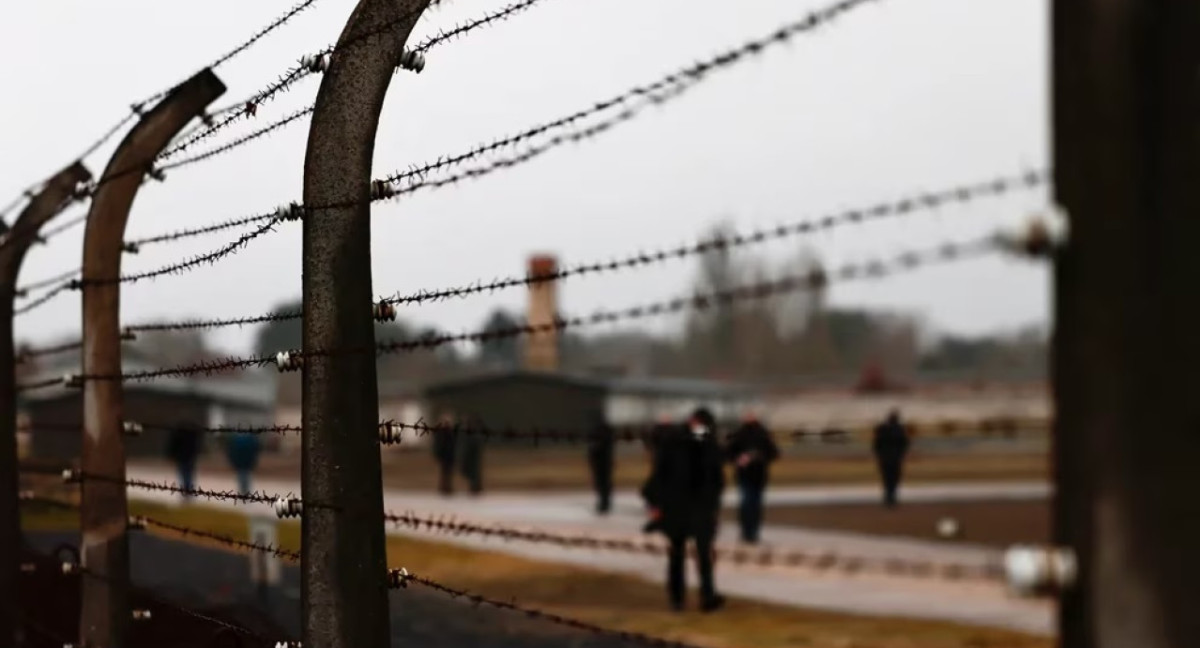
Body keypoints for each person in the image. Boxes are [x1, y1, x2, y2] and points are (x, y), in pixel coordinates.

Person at [640, 407, 726, 613]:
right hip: (698, 506)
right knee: (702, 555)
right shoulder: (706, 441)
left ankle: (678, 600)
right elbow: (717, 477)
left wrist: (655, 504)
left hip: (677, 507)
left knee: (678, 555)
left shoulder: (672, 441)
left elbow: (658, 476)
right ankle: (707, 597)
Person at [725, 412, 780, 544]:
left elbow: (773, 453)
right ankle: (745, 532)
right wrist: (738, 459)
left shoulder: (763, 434)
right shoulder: (739, 434)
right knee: (745, 503)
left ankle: (753, 533)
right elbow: (728, 453)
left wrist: (757, 457)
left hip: (759, 474)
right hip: (744, 475)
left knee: (755, 505)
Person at [872, 409, 911, 508]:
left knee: (887, 478)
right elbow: (905, 444)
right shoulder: (899, 429)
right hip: (895, 458)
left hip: (885, 458)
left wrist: (879, 455)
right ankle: (892, 497)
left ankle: (888, 497)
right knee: (894, 478)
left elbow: (876, 444)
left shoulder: (882, 428)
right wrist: (901, 454)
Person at [587, 409, 615, 515]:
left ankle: (605, 503)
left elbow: (603, 445)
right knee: (601, 482)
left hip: (604, 460)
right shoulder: (600, 430)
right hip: (600, 460)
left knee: (604, 483)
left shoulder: (604, 430)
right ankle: (604, 503)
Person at [166, 425, 200, 501]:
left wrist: (171, 455)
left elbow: (173, 446)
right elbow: (196, 447)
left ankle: (187, 491)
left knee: (184, 475)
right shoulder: (192, 436)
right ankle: (188, 491)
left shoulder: (178, 435)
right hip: (190, 458)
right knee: (188, 475)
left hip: (182, 457)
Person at [431, 411, 459, 496]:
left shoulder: (452, 431)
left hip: (450, 454)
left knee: (448, 472)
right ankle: (443, 487)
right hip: (443, 454)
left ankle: (447, 487)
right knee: (444, 472)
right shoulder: (440, 431)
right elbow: (437, 443)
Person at [459, 415, 484, 496]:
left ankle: (475, 489)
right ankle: (474, 488)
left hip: (472, 457)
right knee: (472, 473)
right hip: (470, 457)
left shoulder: (473, 432)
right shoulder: (469, 432)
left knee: (474, 473)